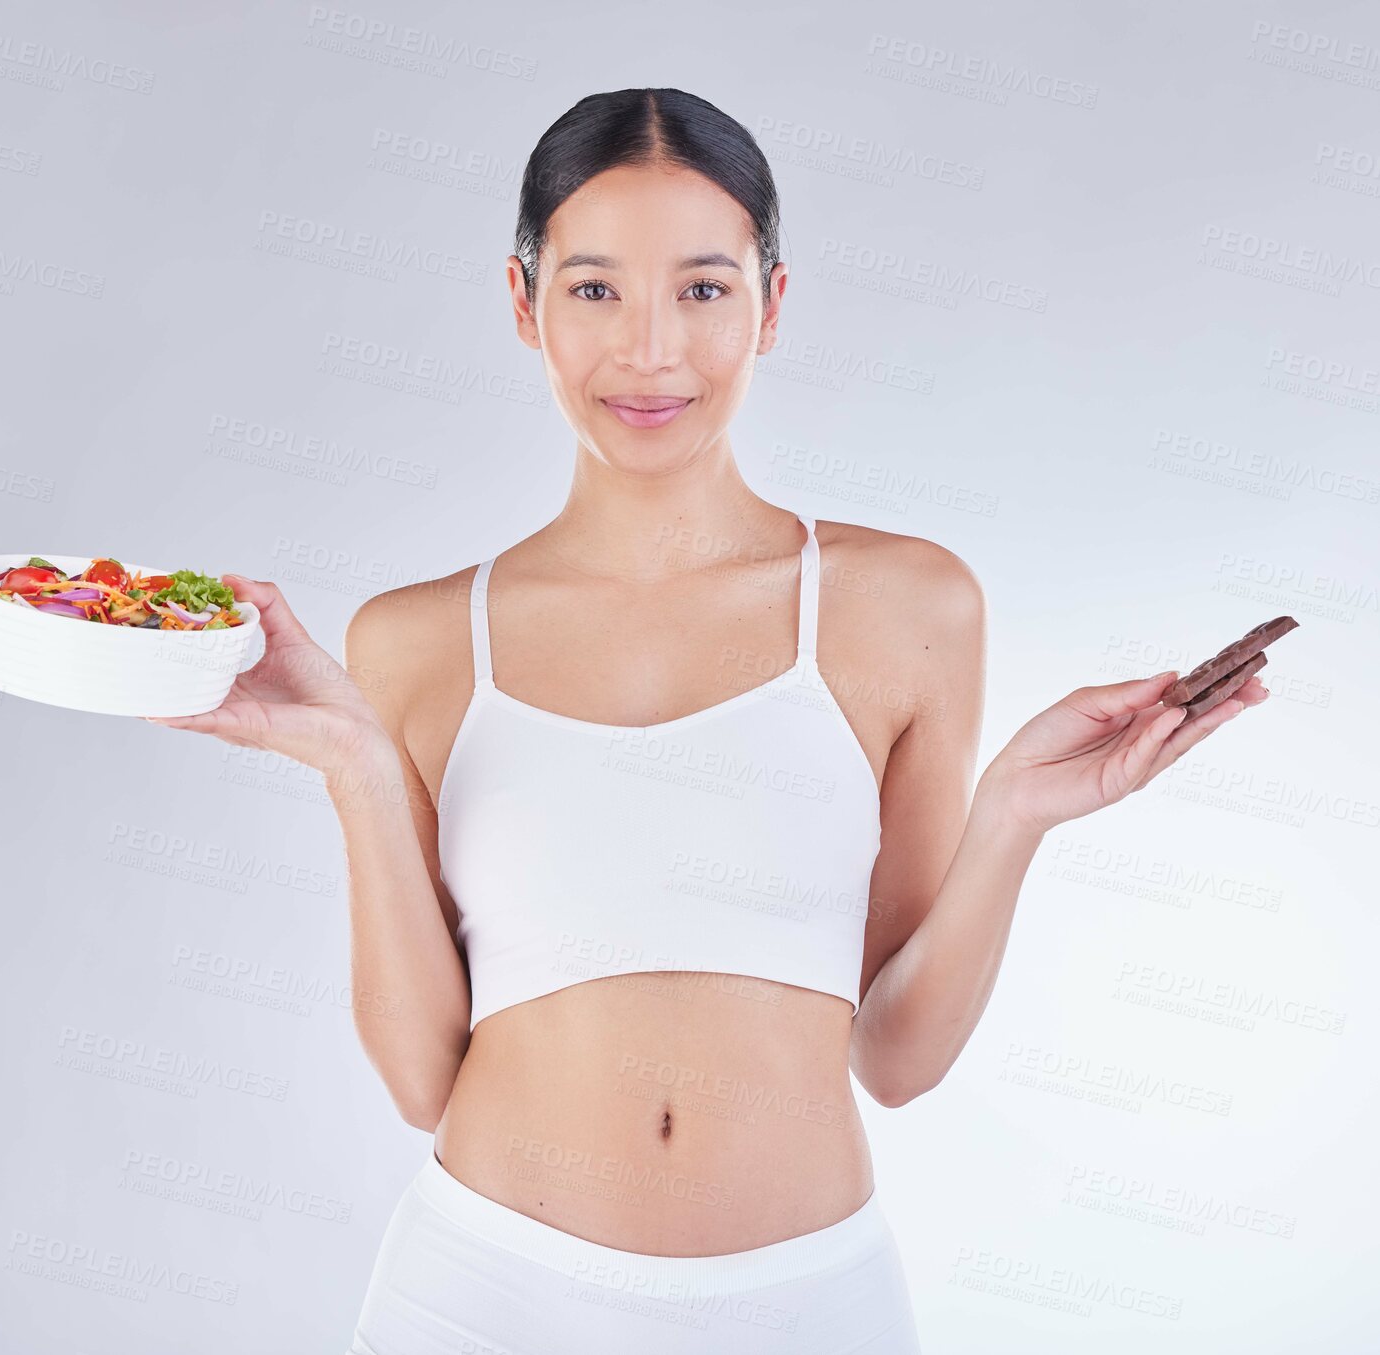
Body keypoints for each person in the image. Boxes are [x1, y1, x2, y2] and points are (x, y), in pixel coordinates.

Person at [144, 87, 1268, 1354]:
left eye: (701, 289)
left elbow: (896, 1055)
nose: (649, 352)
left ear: (770, 305)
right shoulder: (413, 640)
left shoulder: (905, 603)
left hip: (805, 1301)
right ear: (521, 303)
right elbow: (420, 1077)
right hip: (484, 1290)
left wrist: (1014, 812)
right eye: (592, 290)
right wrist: (349, 758)